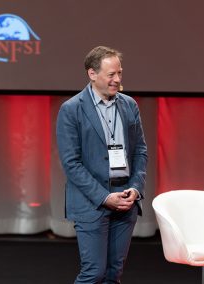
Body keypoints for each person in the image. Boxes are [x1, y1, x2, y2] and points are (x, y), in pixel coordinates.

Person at [56, 46, 147, 283]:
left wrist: (135, 188)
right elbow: (71, 163)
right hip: (92, 203)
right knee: (93, 272)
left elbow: (140, 151)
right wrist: (105, 197)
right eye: (111, 74)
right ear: (92, 74)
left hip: (125, 197)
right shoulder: (71, 109)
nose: (117, 79)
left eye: (119, 73)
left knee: (113, 273)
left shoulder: (129, 105)